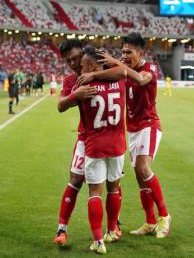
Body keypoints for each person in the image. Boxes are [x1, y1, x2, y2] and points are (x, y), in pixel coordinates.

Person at [76, 33, 171, 239]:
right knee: (139, 176)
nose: (125, 55)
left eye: (129, 52)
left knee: (144, 168)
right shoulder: (121, 72)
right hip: (133, 129)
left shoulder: (149, 69)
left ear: (141, 52)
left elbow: (141, 81)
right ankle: (150, 221)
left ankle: (164, 216)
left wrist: (117, 63)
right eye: (123, 52)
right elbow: (105, 74)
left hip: (149, 125)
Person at [54, 40, 126, 246]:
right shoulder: (72, 80)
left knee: (113, 182)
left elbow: (121, 72)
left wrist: (94, 75)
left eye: (75, 58)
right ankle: (62, 229)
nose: (73, 63)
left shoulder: (99, 70)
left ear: (84, 56)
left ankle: (113, 225)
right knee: (76, 179)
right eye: (68, 61)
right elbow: (60, 106)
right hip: (86, 138)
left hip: (106, 137)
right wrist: (74, 96)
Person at [78, 47, 127, 254]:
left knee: (94, 193)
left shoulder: (85, 85)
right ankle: (111, 230)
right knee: (113, 189)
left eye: (83, 65)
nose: (80, 69)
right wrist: (112, 60)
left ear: (91, 66)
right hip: (117, 144)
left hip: (95, 144)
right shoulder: (120, 81)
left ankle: (98, 241)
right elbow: (123, 70)